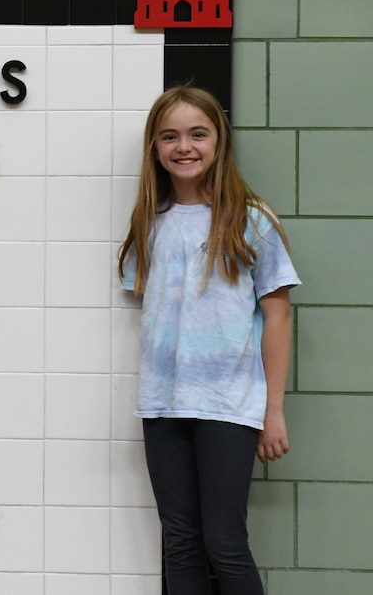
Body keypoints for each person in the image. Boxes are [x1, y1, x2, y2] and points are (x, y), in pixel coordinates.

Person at [117, 85, 300, 595]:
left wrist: (274, 410)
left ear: (219, 142)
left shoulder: (251, 219)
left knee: (223, 540)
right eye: (170, 136)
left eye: (198, 134)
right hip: (163, 405)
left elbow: (279, 316)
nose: (184, 146)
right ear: (155, 148)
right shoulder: (148, 226)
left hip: (229, 406)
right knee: (180, 540)